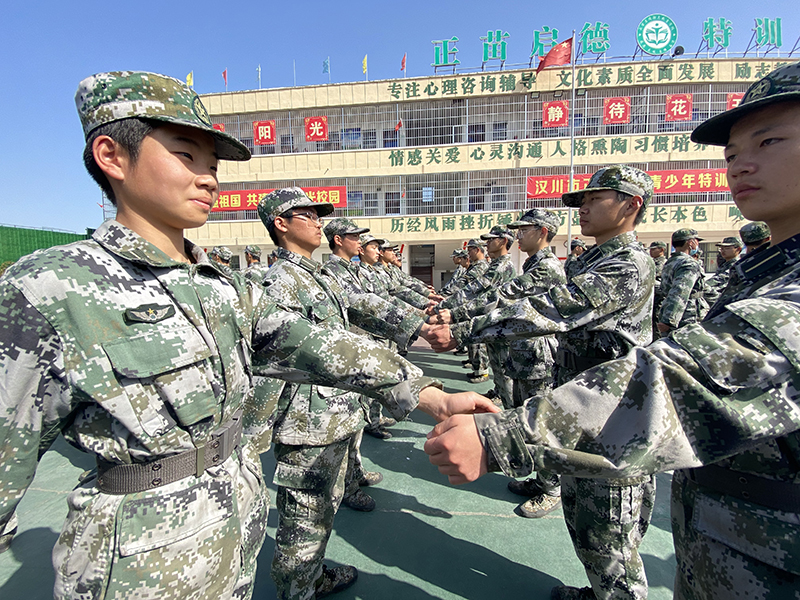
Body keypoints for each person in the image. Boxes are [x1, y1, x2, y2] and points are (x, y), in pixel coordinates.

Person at [0, 71, 498, 600]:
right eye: (186, 156)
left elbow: (316, 344)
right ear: (112, 156)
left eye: (213, 166)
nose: (208, 179)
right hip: (139, 565)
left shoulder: (219, 286)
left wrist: (430, 394)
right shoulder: (51, 289)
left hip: (234, 535)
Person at [425, 60, 800, 600]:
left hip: (625, 428)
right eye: (732, 154)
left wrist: (502, 433)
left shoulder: (628, 263)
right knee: (589, 532)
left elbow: (683, 374)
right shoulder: (761, 270)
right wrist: (463, 323)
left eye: (768, 142)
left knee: (612, 543)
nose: (740, 166)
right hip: (679, 486)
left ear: (630, 205)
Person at [427, 164, 657, 599]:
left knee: (610, 529)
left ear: (631, 205)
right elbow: (527, 300)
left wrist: (462, 330)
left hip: (613, 416)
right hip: (580, 400)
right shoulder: (591, 260)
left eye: (595, 199)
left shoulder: (628, 264)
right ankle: (598, 591)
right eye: (582, 201)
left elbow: (552, 307)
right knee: (585, 518)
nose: (583, 208)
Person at [258, 189, 445, 598]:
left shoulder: (315, 275)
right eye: (307, 215)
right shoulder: (279, 282)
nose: (318, 222)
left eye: (318, 215)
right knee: (304, 518)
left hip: (332, 410)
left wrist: (418, 326)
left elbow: (361, 303)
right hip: (306, 421)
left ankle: (310, 578)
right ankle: (298, 590)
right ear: (281, 224)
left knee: (323, 507)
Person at [430, 209, 566, 516]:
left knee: (540, 421)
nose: (519, 235)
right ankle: (540, 478)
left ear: (543, 232)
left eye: (525, 229)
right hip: (524, 351)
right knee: (524, 413)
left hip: (538, 356)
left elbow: (503, 297)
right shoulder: (533, 264)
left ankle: (552, 487)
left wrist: (456, 315)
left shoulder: (546, 268)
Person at [657, 228, 708, 336]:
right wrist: (669, 320)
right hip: (686, 315)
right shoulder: (688, 263)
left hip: (670, 310)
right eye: (696, 241)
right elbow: (680, 291)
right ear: (690, 243)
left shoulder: (671, 261)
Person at [704, 237, 743, 305]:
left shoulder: (737, 265)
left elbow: (718, 280)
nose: (723, 251)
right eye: (721, 248)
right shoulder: (724, 265)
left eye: (727, 248)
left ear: (738, 249)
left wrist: (702, 284)